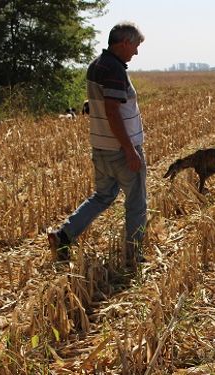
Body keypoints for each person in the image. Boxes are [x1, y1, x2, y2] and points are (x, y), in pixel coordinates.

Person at [48, 21, 147, 267]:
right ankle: (133, 257)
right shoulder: (114, 70)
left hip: (100, 148)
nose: (136, 52)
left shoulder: (96, 65)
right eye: (135, 46)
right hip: (120, 151)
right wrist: (129, 149)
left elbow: (98, 106)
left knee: (102, 196)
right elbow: (112, 112)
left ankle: (64, 236)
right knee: (136, 203)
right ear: (124, 42)